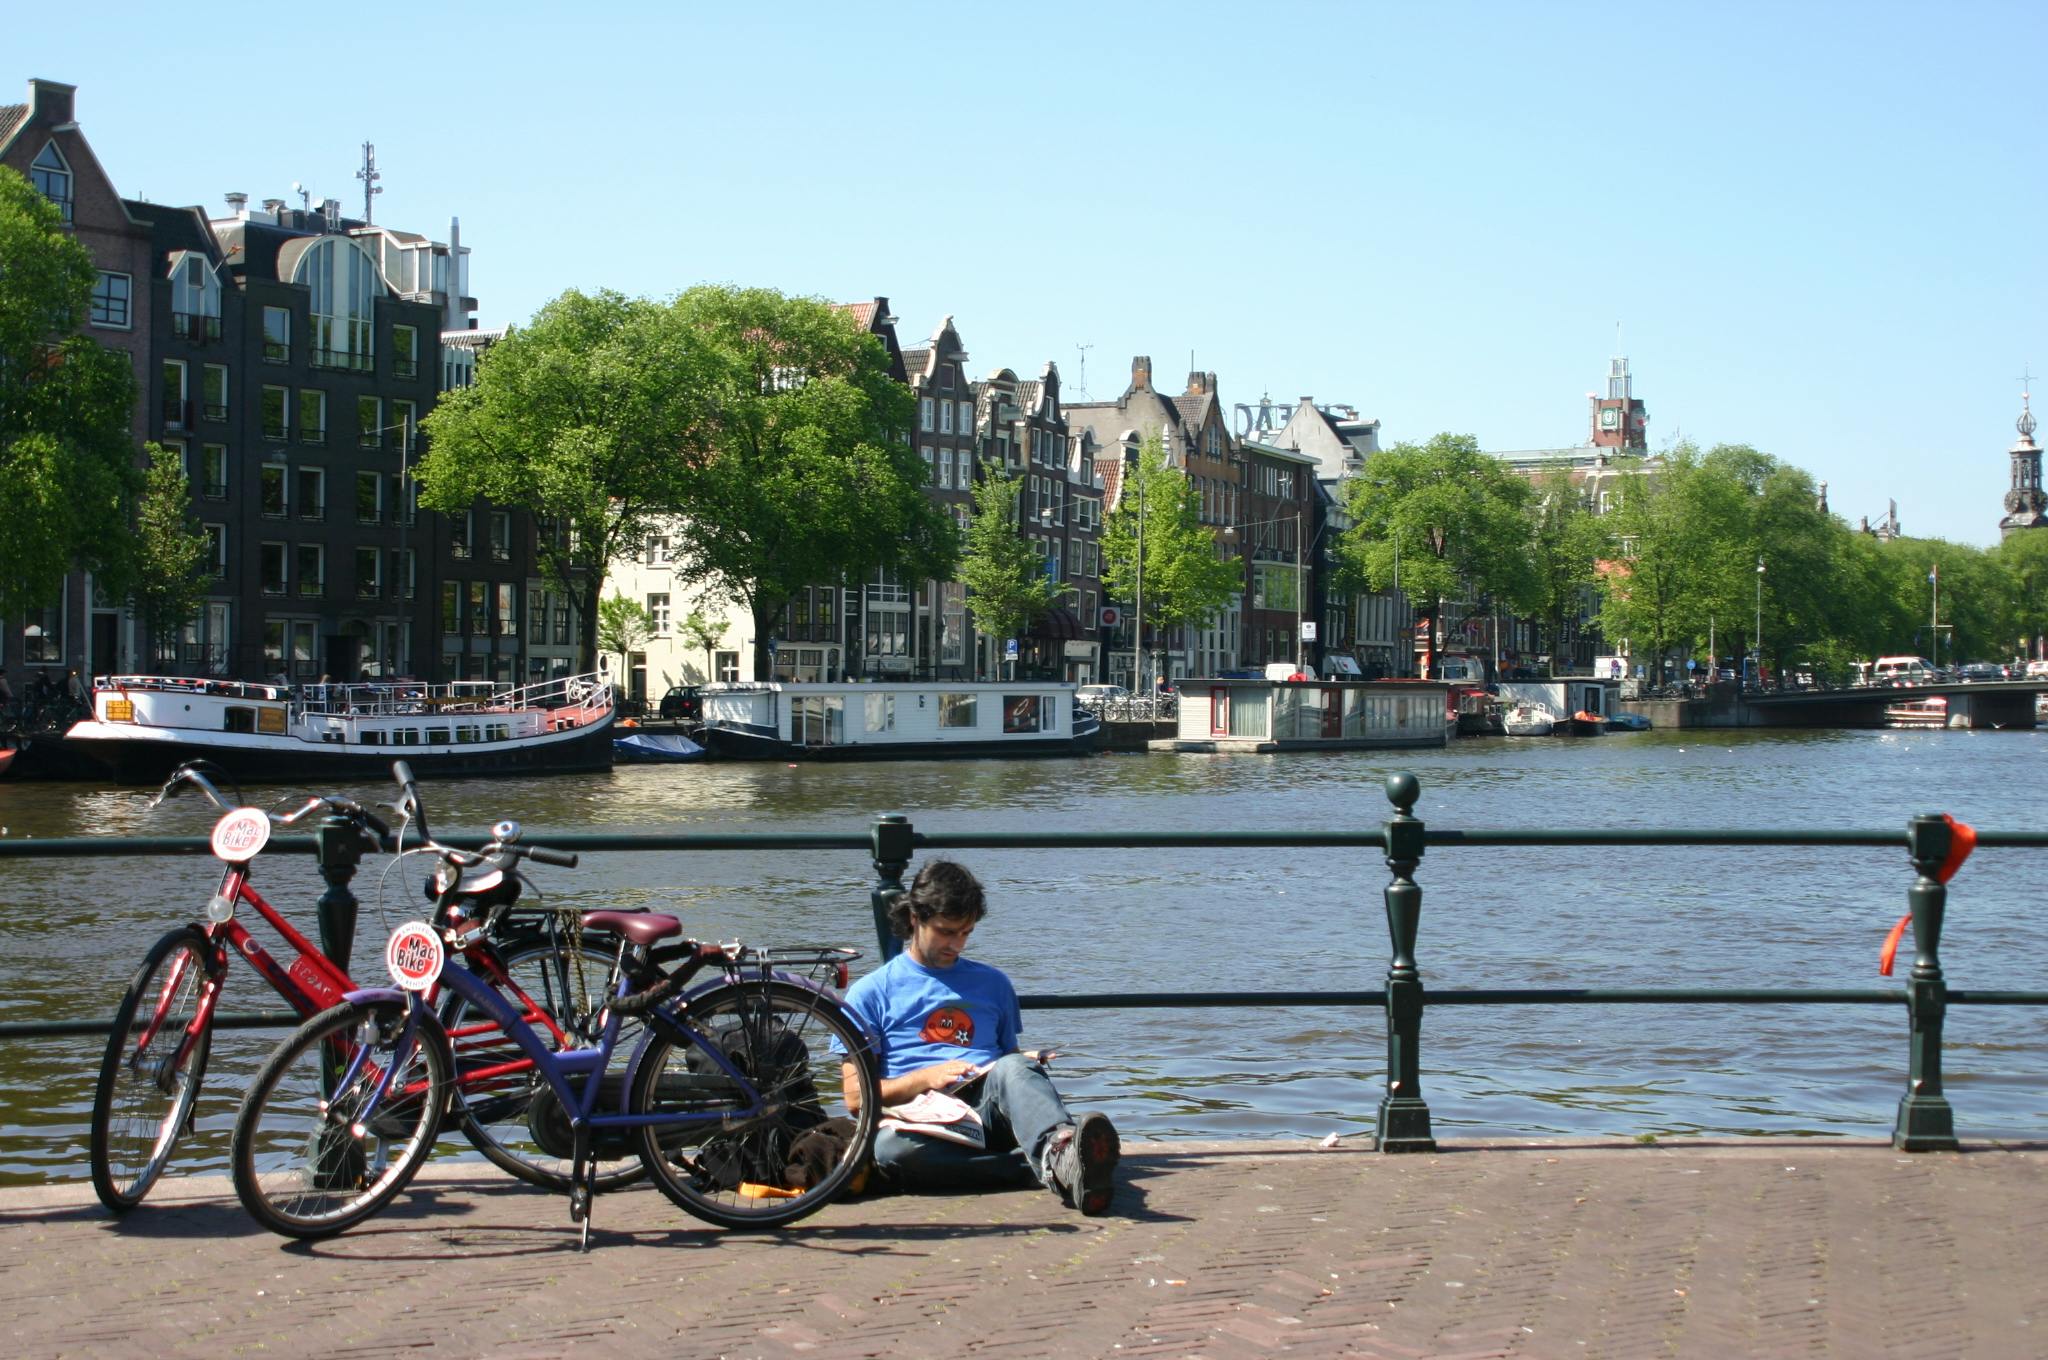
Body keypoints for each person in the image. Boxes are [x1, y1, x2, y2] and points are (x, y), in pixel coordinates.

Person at [841, 861, 1119, 1215]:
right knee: (891, 1152)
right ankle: (1048, 1169)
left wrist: (1018, 1066)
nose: (956, 944)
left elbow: (1008, 1060)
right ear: (915, 918)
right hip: (919, 1120)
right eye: (946, 932)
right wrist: (925, 1078)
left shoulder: (994, 983)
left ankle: (1059, 1150)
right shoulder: (869, 993)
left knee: (1014, 1067)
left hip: (985, 1108)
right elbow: (855, 1098)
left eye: (966, 933)